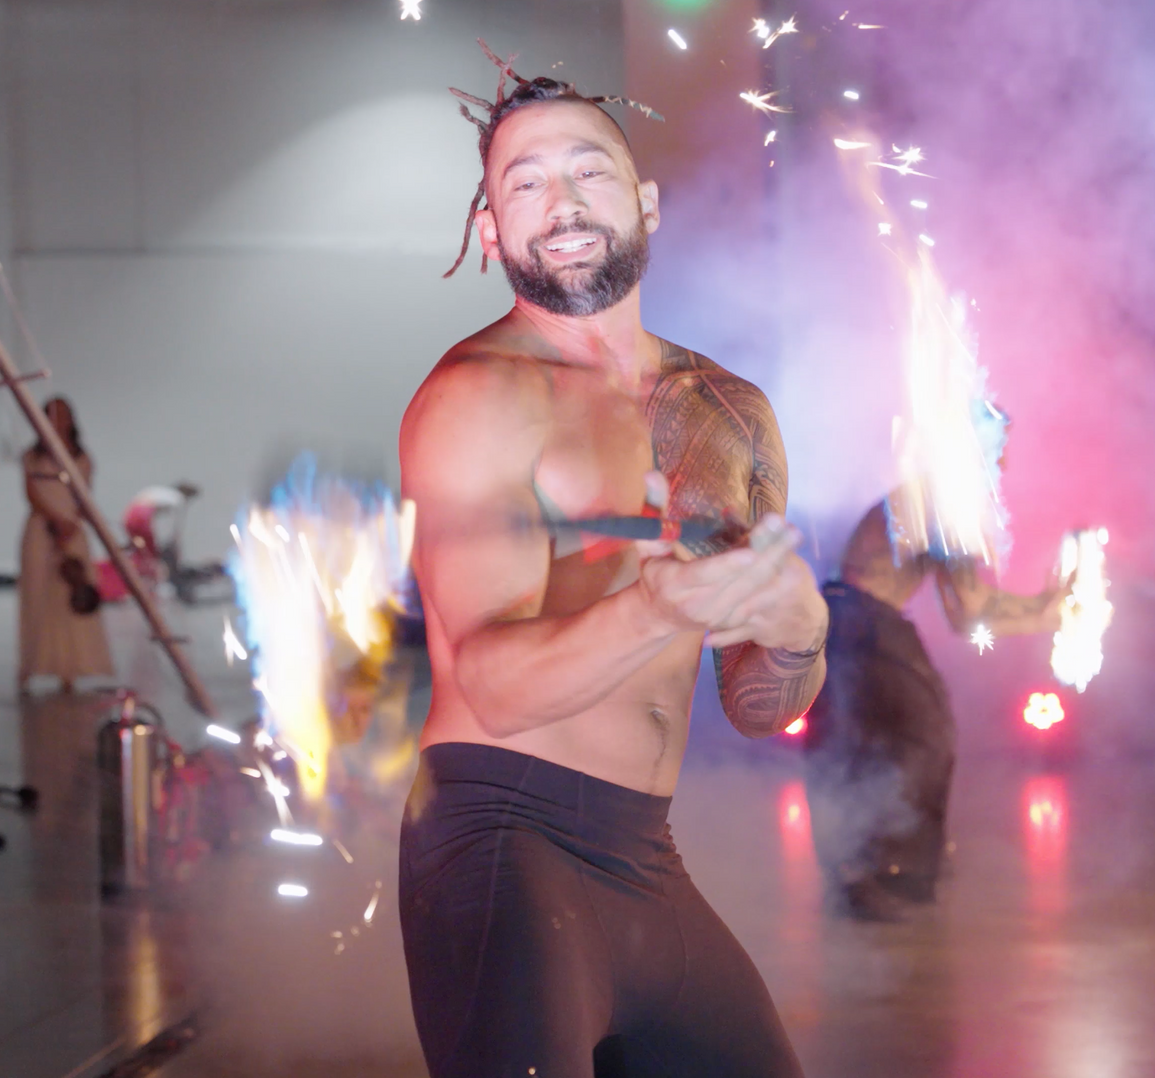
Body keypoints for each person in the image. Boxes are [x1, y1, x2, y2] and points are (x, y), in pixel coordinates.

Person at [397, 66, 827, 1078]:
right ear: (490, 229)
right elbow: (494, 688)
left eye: (589, 171)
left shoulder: (729, 411)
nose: (563, 202)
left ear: (646, 202)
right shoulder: (479, 396)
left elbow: (758, 706)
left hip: (644, 857)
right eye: (526, 182)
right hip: (501, 845)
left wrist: (801, 635)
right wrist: (652, 608)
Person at [804, 487, 1066, 922]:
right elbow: (972, 611)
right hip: (863, 620)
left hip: (843, 617)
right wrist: (1046, 613)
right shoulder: (946, 495)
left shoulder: (933, 496)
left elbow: (965, 614)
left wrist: (1044, 612)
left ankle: (869, 873)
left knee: (874, 742)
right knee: (923, 737)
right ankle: (890, 873)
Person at [16, 397, 114, 694]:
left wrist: (70, 524)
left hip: (72, 530)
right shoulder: (32, 457)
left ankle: (71, 668)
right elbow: (31, 493)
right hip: (41, 528)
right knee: (38, 595)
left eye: (62, 415)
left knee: (72, 594)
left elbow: (84, 495)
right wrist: (53, 519)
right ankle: (31, 665)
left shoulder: (82, 458)